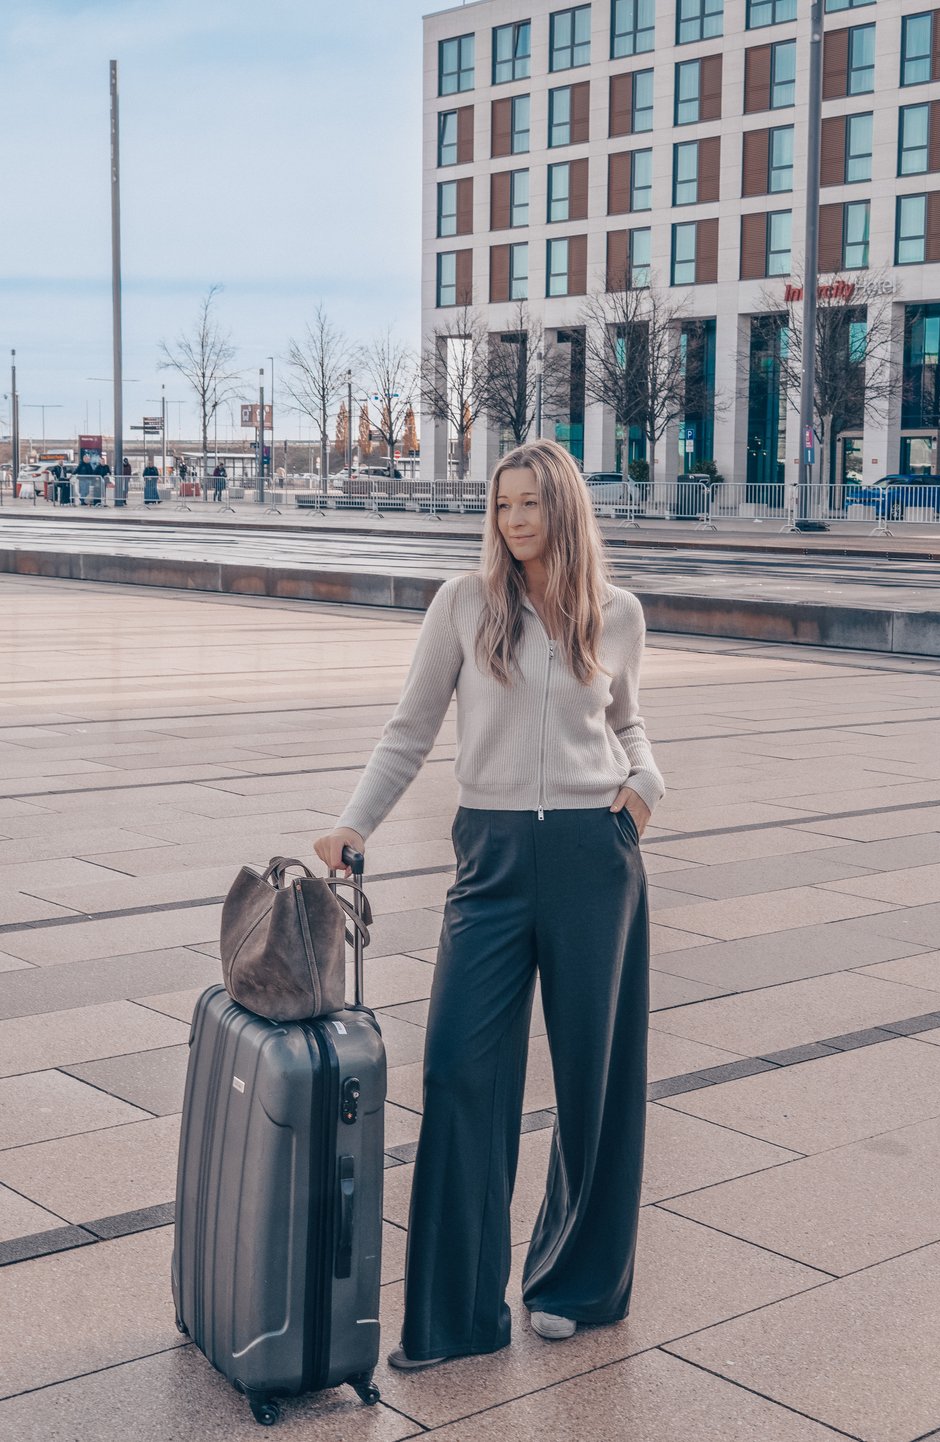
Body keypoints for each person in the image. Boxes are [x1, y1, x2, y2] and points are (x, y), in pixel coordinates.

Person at [314, 438, 663, 1371]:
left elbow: (626, 720)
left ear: (564, 510)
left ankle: (574, 1284)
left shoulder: (615, 613)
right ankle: (456, 1317)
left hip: (597, 855)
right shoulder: (466, 605)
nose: (513, 522)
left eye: (530, 504)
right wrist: (355, 824)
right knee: (463, 1074)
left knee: (596, 1083)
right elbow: (411, 727)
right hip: (493, 861)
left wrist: (645, 788)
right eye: (502, 506)